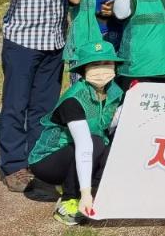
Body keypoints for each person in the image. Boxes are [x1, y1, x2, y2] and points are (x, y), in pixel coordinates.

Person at [0, 0, 88, 192]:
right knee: (15, 105)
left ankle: (37, 161)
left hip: (54, 40)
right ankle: (13, 165)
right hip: (22, 40)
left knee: (44, 107)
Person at [28, 42, 123, 226]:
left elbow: (110, 123)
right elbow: (85, 145)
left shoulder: (114, 92)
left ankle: (92, 189)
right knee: (95, 142)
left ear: (115, 66)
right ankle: (69, 199)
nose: (101, 70)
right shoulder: (74, 99)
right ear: (84, 69)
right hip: (49, 160)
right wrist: (85, 194)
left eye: (106, 63)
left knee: (112, 147)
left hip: (84, 151)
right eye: (94, 64)